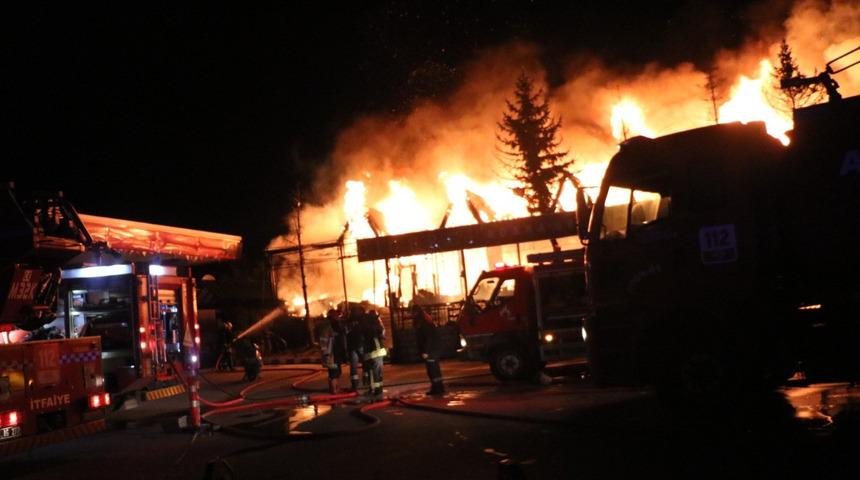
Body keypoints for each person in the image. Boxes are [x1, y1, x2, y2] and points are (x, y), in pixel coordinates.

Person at [413, 304, 445, 395]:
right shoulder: (426, 319)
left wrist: (426, 352)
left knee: (432, 370)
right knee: (435, 369)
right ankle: (438, 387)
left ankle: (437, 389)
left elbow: (428, 338)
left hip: (431, 351)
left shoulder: (423, 322)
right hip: (434, 349)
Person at [360, 309, 387, 399]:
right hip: (377, 352)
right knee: (377, 372)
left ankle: (376, 390)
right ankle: (377, 389)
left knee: (373, 372)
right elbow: (382, 333)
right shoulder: (378, 325)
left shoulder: (367, 326)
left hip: (372, 353)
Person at [319, 309, 347, 393]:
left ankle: (336, 388)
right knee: (333, 373)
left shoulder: (337, 326)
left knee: (337, 372)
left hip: (337, 354)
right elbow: (323, 341)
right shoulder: (327, 328)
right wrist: (326, 353)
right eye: (336, 316)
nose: (338, 318)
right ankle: (334, 390)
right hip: (331, 354)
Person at [345, 306, 365, 392]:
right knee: (366, 363)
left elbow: (345, 333)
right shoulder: (363, 320)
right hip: (360, 345)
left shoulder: (348, 321)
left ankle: (355, 384)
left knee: (353, 367)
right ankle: (367, 381)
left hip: (353, 346)